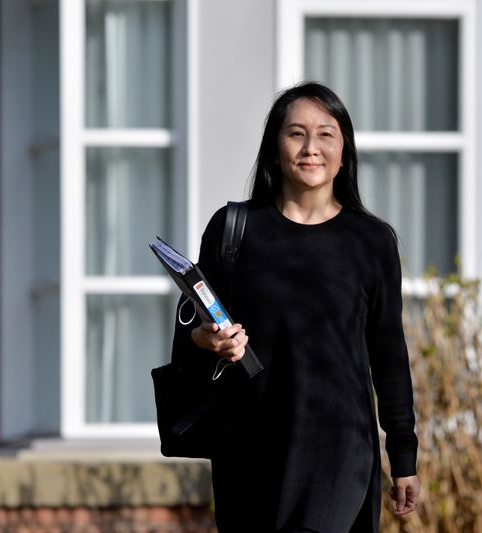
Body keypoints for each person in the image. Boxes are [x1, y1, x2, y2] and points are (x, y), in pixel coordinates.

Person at [170, 82, 419, 532]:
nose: (311, 148)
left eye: (326, 134)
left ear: (345, 151)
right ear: (274, 147)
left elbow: (389, 355)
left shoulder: (371, 241)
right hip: (250, 448)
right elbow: (188, 336)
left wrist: (402, 454)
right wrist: (209, 341)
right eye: (296, 133)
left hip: (341, 449)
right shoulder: (232, 231)